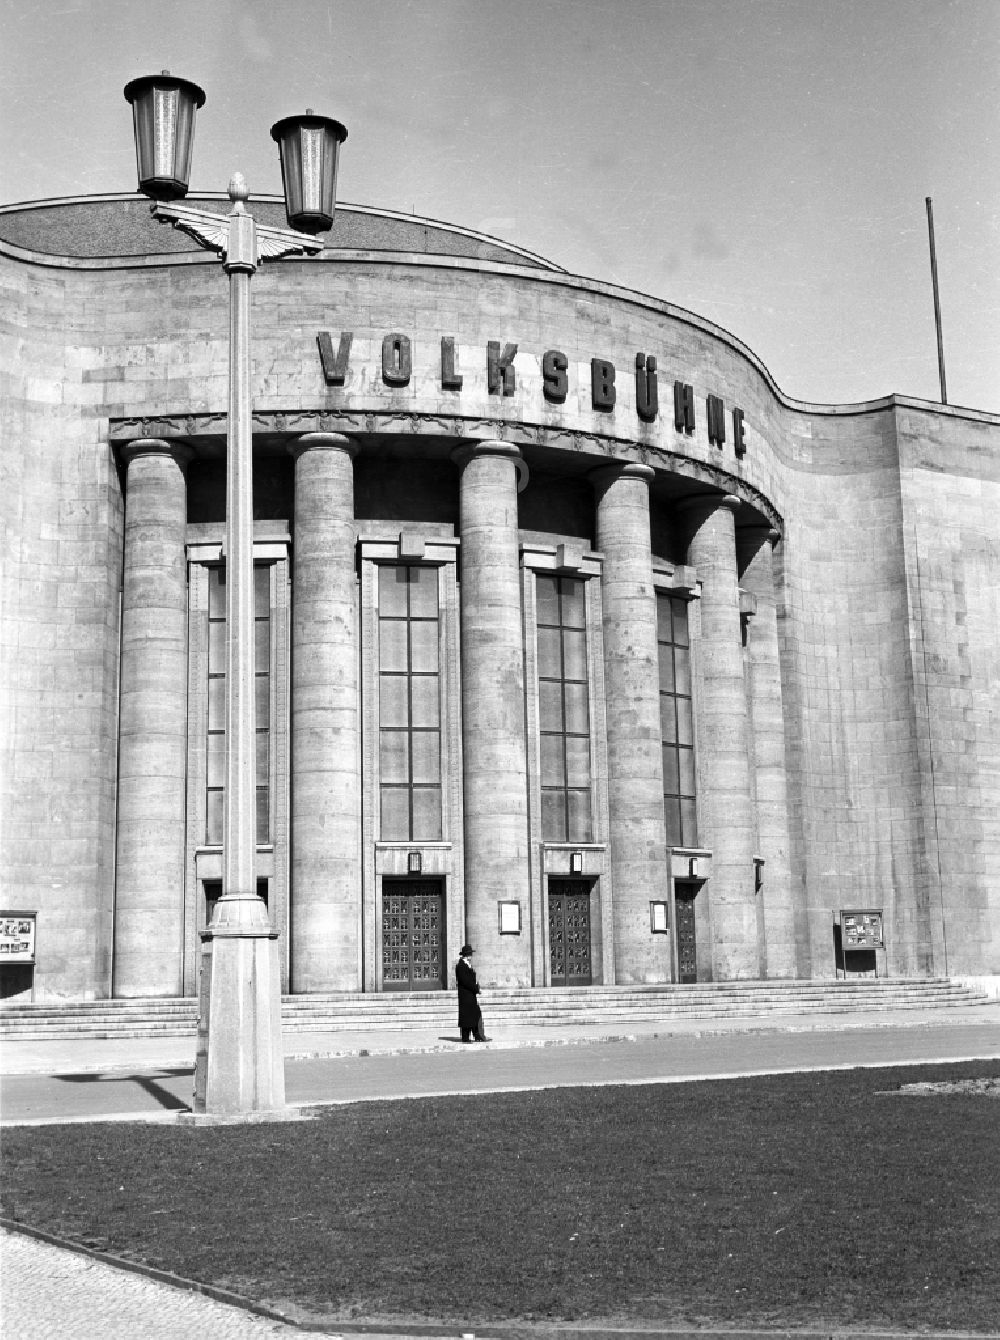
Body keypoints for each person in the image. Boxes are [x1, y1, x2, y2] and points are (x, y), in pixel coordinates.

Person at [455, 943, 489, 1042]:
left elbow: (471, 979)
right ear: (466, 955)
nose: (471, 956)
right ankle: (466, 1037)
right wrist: (476, 989)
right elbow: (465, 981)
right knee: (467, 1016)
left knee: (474, 1014)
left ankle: (477, 1035)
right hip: (465, 995)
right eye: (470, 954)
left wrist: (476, 985)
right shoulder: (461, 965)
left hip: (470, 995)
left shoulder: (467, 964)